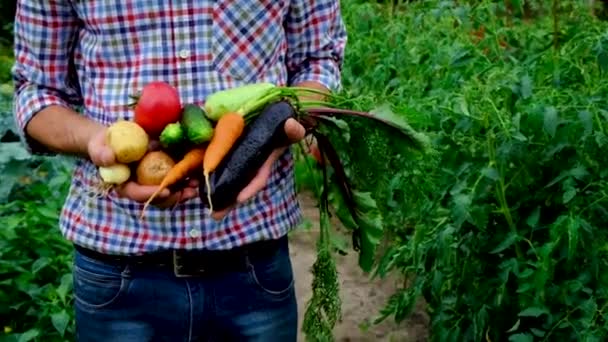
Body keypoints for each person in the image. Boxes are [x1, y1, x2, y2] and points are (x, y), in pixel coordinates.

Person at [12, 1, 347, 341]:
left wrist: (272, 137)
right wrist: (96, 141)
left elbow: (318, 61)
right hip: (117, 276)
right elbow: (36, 90)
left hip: (253, 267)